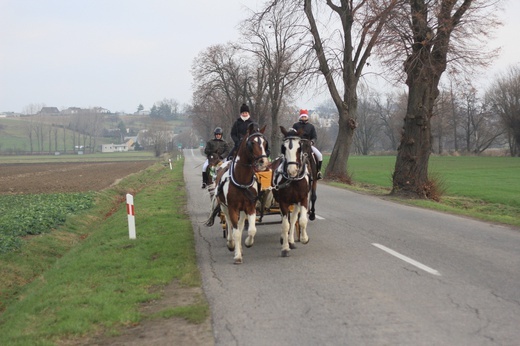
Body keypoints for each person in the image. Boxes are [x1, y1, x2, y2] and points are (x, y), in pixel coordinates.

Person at [291, 109, 323, 179]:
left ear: (307, 117)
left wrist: (312, 142)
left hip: (308, 145)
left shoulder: (311, 126)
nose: (304, 118)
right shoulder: (295, 125)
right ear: (300, 117)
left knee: (320, 156)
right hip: (298, 145)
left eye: (305, 117)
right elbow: (292, 135)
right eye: (302, 117)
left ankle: (318, 172)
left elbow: (314, 137)